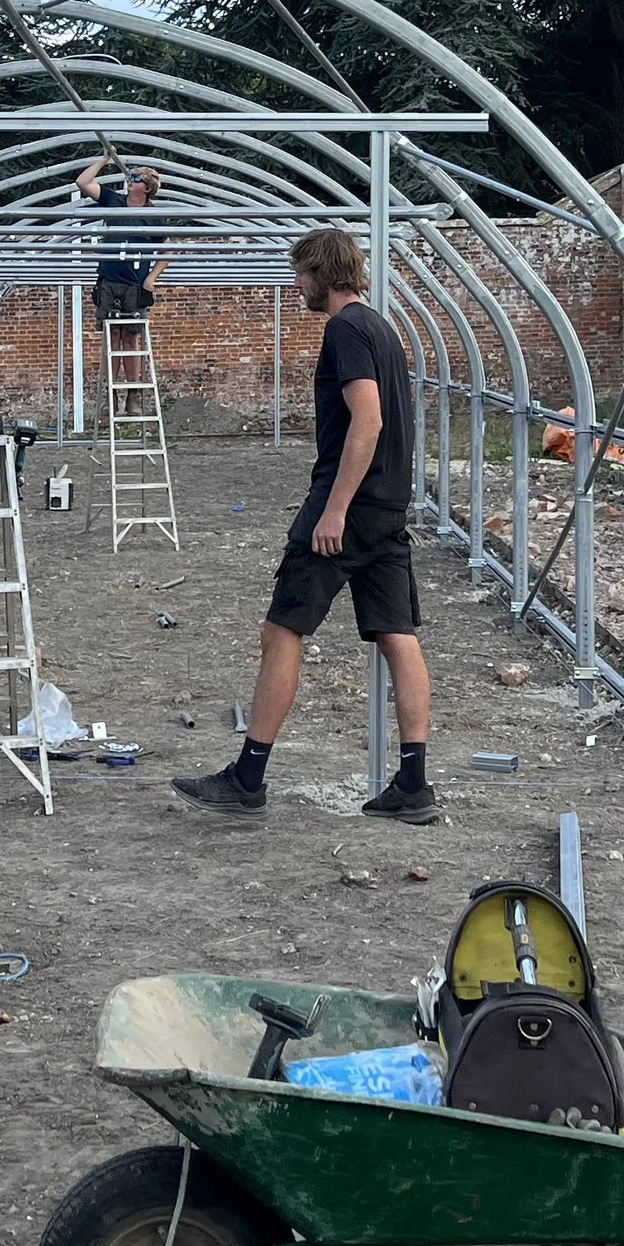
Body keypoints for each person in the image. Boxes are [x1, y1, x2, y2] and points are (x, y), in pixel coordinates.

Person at [174, 223, 437, 826]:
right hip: (388, 507)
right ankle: (413, 784)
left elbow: (367, 420)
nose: (297, 286)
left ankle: (248, 778)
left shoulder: (345, 328)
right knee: (397, 634)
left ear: (320, 272)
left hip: (349, 508)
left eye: (300, 274)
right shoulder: (382, 327)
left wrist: (335, 509)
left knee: (282, 629)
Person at [74, 153, 170, 320]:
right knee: (109, 327)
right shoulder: (114, 200)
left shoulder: (153, 217)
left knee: (131, 330)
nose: (130, 181)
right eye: (130, 177)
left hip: (135, 284)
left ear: (147, 189)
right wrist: (104, 160)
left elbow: (167, 251)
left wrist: (150, 280)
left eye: (137, 179)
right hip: (108, 279)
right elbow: (82, 183)